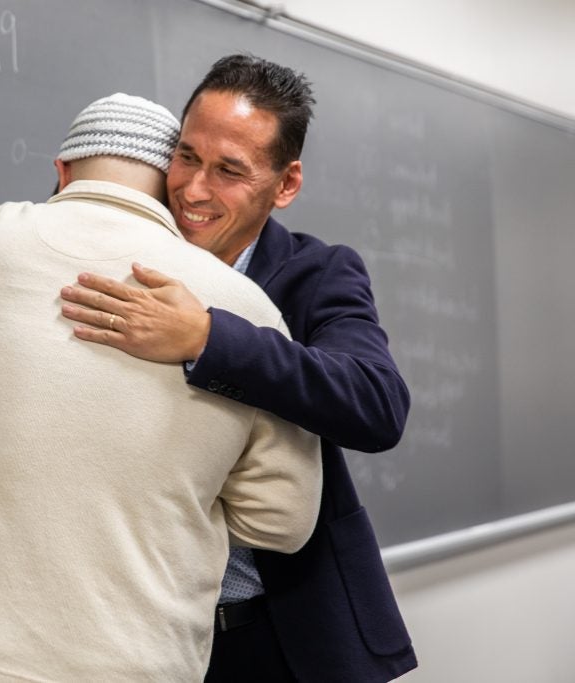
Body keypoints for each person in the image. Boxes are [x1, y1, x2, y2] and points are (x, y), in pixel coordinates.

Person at [0, 93, 323, 683]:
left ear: (62, 171)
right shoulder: (240, 306)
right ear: (170, 191)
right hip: (132, 662)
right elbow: (281, 522)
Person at [59, 56, 417, 682]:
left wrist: (207, 337)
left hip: (282, 636)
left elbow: (377, 405)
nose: (193, 190)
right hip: (136, 637)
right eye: (187, 157)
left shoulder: (319, 272)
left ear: (285, 184)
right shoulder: (117, 258)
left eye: (229, 171)